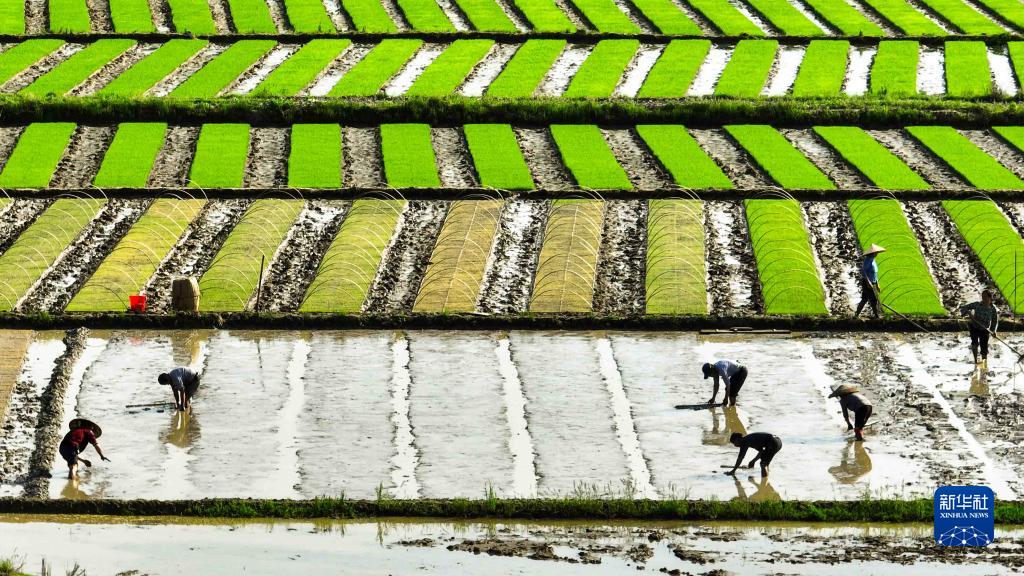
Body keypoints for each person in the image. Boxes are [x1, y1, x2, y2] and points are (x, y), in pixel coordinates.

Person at [960, 290, 999, 364]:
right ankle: (975, 361)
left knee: (984, 348)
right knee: (974, 344)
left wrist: (993, 331)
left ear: (990, 298)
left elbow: (994, 321)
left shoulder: (992, 309)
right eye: (982, 296)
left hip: (985, 329)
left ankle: (984, 363)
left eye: (985, 297)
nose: (983, 298)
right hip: (974, 327)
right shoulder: (977, 304)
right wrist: (968, 313)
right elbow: (963, 307)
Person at [854, 244, 885, 319]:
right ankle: (876, 316)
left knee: (865, 299)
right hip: (867, 283)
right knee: (872, 299)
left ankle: (856, 315)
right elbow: (864, 272)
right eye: (876, 252)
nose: (877, 253)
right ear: (873, 253)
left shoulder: (873, 260)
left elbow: (874, 274)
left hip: (873, 283)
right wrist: (868, 282)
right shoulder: (867, 260)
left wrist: (877, 284)